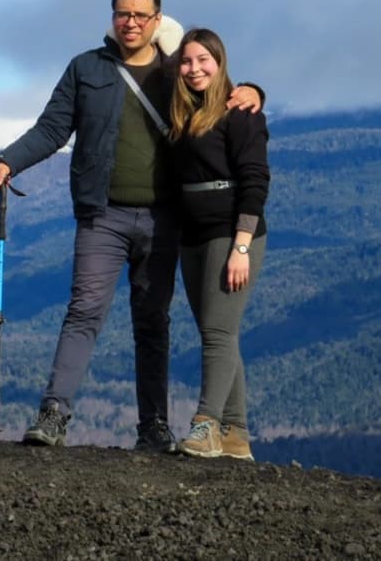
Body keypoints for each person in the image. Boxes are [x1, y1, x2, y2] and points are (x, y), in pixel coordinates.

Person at [0, 0, 262, 451]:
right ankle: (53, 414)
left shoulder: (177, 71)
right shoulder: (86, 68)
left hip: (166, 217)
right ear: (112, 17)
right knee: (84, 311)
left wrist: (255, 90)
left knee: (152, 320)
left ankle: (153, 426)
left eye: (140, 15)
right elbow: (52, 128)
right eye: (122, 14)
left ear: (157, 20)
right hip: (102, 214)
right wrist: (9, 159)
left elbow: (220, 97)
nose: (130, 23)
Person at [168, 27, 269, 462]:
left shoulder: (240, 112)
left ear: (220, 61)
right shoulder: (180, 114)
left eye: (203, 60)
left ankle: (206, 426)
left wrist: (241, 246)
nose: (194, 69)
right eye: (187, 62)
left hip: (232, 234)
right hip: (191, 235)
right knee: (221, 334)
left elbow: (255, 179)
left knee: (217, 332)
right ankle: (236, 434)